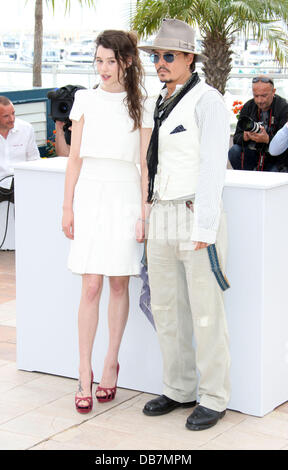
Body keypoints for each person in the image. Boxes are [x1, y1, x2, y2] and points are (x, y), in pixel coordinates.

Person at [138, 18, 231, 431]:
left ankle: (214, 397)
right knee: (167, 308)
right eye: (157, 55)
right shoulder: (160, 99)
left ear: (189, 58)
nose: (160, 61)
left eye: (168, 55)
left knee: (206, 312)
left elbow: (214, 168)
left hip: (195, 215)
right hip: (162, 213)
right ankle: (178, 388)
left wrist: (205, 229)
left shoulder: (207, 100)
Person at [62, 30, 153, 413]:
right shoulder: (84, 99)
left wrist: (145, 211)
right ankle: (84, 370)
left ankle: (110, 363)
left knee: (119, 284)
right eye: (98, 61)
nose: (103, 68)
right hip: (90, 195)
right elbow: (75, 158)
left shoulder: (143, 104)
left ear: (127, 62)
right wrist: (67, 206)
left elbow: (146, 164)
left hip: (125, 195)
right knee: (90, 286)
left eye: (110, 61)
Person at [228, 76, 288, 171]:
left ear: (273, 92)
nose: (259, 100)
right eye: (256, 96)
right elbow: (236, 138)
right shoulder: (248, 107)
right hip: (254, 153)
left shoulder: (283, 108)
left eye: (264, 96)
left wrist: (268, 139)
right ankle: (246, 180)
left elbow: (285, 143)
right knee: (235, 151)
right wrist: (245, 137)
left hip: (275, 158)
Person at [0, 96, 40, 183]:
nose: (12, 119)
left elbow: (34, 160)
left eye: (13, 113)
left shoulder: (26, 128)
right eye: (6, 116)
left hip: (22, 183)